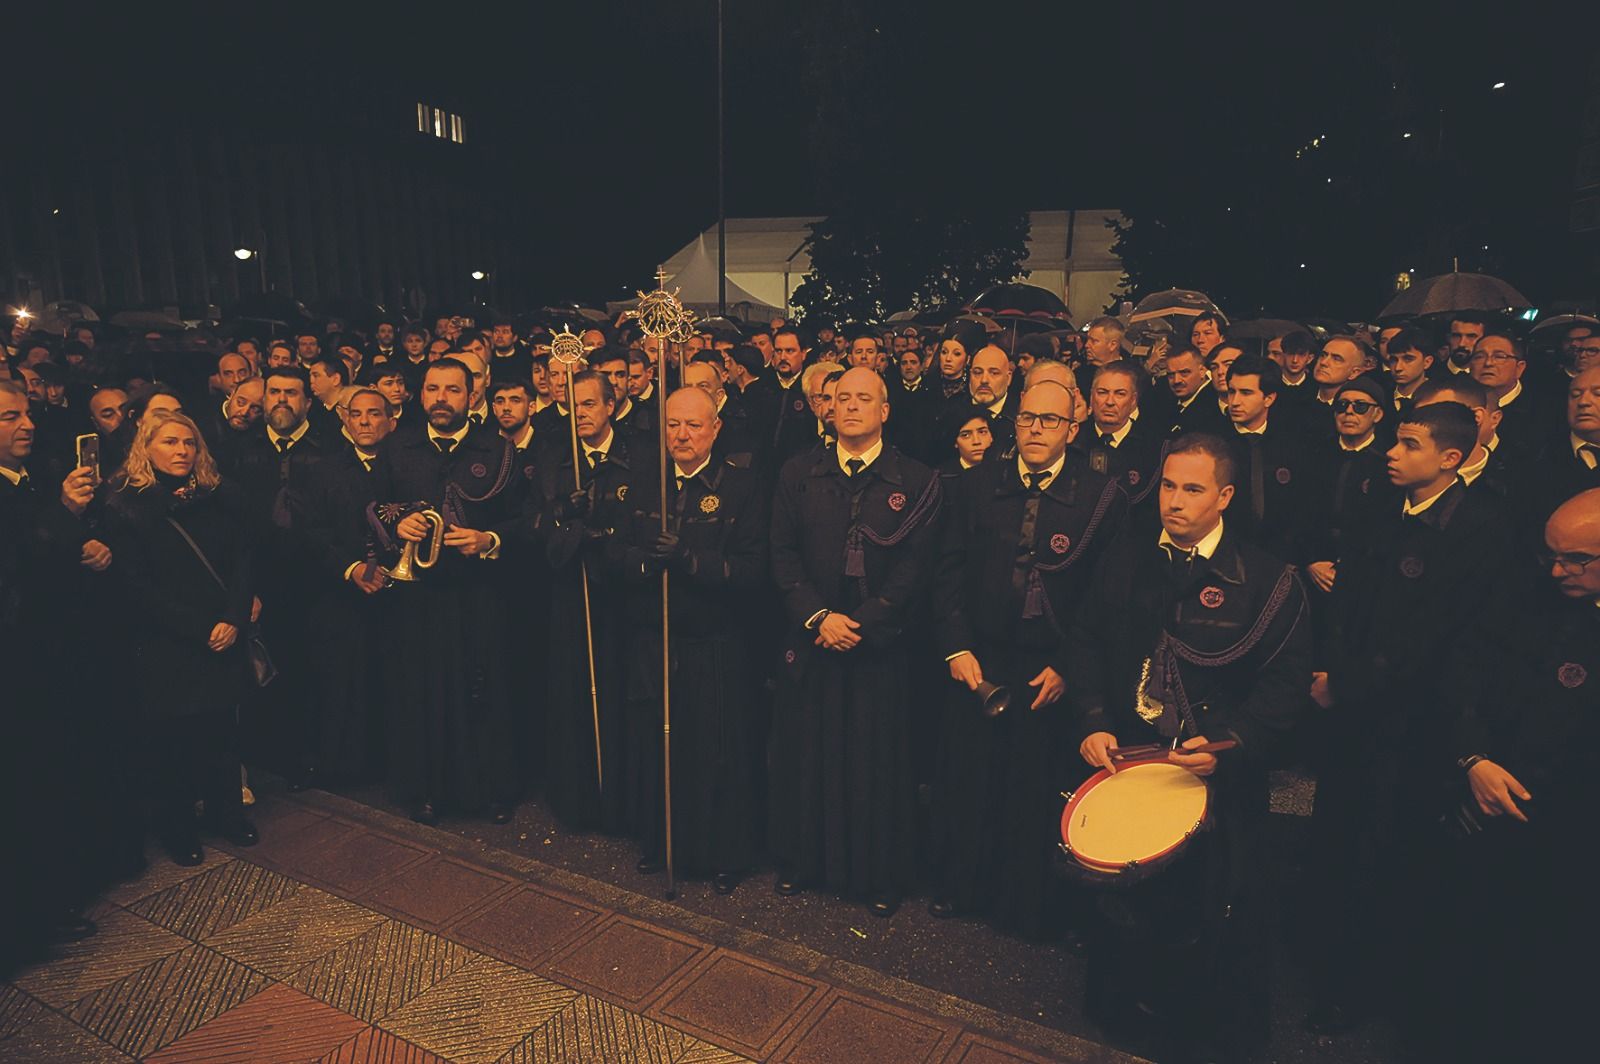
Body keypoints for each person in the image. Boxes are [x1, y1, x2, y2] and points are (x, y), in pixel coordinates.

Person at [1066, 433, 1311, 1061]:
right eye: (1168, 486)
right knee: (1128, 904)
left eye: (1193, 489)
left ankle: (1200, 1030)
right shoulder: (1123, 557)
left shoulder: (1264, 578)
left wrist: (1234, 744)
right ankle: (1126, 1013)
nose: (1174, 501)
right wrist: (1093, 718)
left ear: (1225, 495)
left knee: (1215, 913)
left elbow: (1285, 685)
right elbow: (1087, 640)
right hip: (1132, 759)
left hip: (1216, 771)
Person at [1306, 402, 1514, 1038]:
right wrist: (1331, 672)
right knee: (1337, 839)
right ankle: (1324, 963)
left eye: (1409, 444)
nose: (1392, 453)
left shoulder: (1477, 529)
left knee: (1387, 853)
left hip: (1408, 726)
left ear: (1450, 458)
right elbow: (1351, 603)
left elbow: (1434, 641)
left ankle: (1366, 988)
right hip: (1351, 714)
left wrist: (1346, 684)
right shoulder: (1383, 508)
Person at [931, 379, 1126, 935]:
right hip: (982, 658)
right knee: (971, 780)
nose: (1036, 430)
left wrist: (1071, 664)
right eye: (1026, 419)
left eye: (1050, 420)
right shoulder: (975, 486)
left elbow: (1105, 595)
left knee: (1033, 788)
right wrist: (955, 645)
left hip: (1052, 665)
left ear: (1072, 428)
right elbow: (946, 572)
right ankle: (963, 886)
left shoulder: (1100, 496)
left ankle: (1028, 905)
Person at [1427, 490, 1598, 1061]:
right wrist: (1474, 760)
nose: (1557, 570)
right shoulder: (1530, 597)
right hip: (1489, 804)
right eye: (1551, 555)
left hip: (1574, 831)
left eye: (1577, 559)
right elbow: (1462, 675)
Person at [768, 367, 943, 917]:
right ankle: (804, 863)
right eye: (841, 398)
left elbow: (915, 570)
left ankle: (877, 876)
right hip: (815, 640)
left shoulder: (915, 481)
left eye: (864, 398)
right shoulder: (799, 473)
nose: (850, 406)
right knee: (809, 757)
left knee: (876, 764)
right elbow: (782, 554)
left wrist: (862, 623)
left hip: (879, 650)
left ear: (885, 410)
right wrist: (818, 618)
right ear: (826, 408)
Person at [618, 386, 769, 892]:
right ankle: (663, 843)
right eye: (672, 425)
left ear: (715, 429)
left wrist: (691, 561)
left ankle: (724, 853)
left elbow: (753, 570)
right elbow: (619, 553)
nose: (681, 435)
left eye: (693, 426)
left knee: (717, 751)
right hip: (656, 637)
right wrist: (642, 563)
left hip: (715, 643)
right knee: (661, 743)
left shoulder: (743, 487)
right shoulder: (646, 482)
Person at [367, 358, 527, 824]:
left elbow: (524, 520)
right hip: (420, 599)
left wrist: (488, 540)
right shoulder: (398, 447)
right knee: (425, 692)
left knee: (485, 690)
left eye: (452, 390)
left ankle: (492, 790)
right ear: (420, 395)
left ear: (471, 395)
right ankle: (429, 789)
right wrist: (401, 524)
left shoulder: (497, 450)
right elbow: (373, 510)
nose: (441, 398)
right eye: (433, 389)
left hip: (480, 594)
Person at [99, 413, 261, 866]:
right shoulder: (125, 505)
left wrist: (233, 618)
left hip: (224, 632)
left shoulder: (219, 495)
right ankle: (178, 828)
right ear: (145, 448)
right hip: (168, 641)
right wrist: (199, 628)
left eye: (190, 442)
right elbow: (135, 586)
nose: (181, 451)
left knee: (222, 734)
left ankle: (227, 814)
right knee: (173, 741)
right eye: (169, 442)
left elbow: (245, 557)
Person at [535, 370, 642, 833]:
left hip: (620, 598)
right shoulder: (554, 456)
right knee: (574, 688)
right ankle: (579, 796)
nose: (581, 413)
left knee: (622, 690)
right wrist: (562, 518)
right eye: (574, 405)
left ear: (611, 406)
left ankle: (624, 798)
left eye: (590, 404)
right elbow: (532, 524)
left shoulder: (636, 454)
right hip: (570, 596)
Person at [290, 387, 392, 781]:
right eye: (357, 414)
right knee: (341, 681)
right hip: (340, 591)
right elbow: (309, 530)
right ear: (345, 420)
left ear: (390, 420)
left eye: (374, 414)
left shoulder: (403, 465)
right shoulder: (321, 470)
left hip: (394, 591)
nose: (365, 422)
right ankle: (342, 766)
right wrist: (350, 569)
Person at [1161, 344, 1227, 438]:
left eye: (1184, 373)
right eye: (1171, 375)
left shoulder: (1215, 406)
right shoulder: (1165, 403)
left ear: (1202, 371)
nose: (1176, 380)